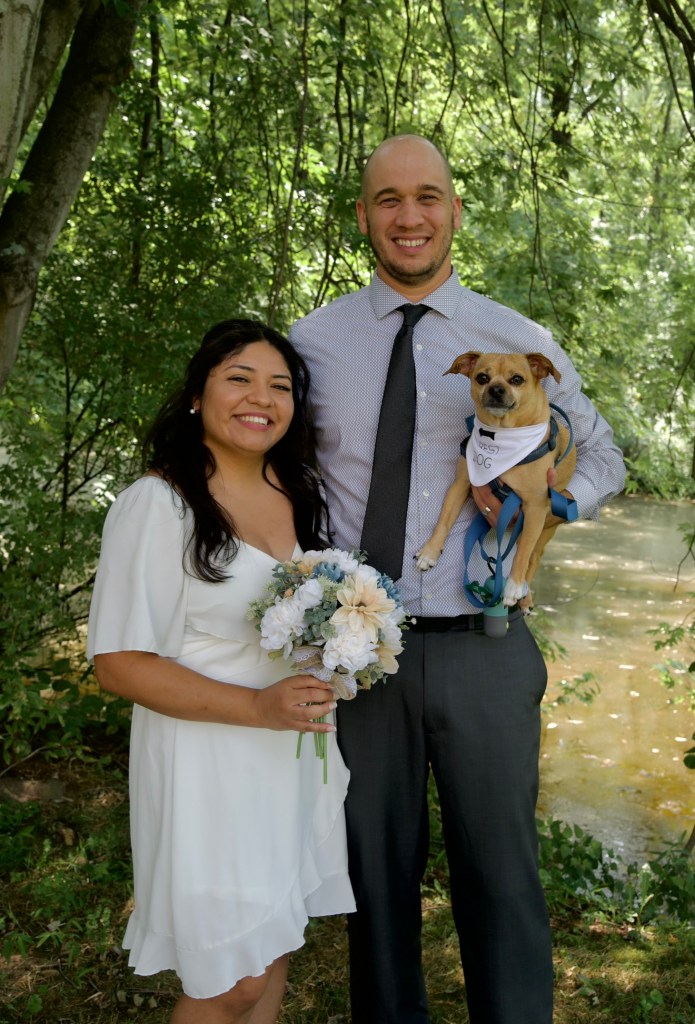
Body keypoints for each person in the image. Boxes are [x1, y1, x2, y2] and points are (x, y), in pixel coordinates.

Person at [290, 135, 626, 1024]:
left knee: (503, 878)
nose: (409, 217)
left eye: (427, 197)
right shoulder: (309, 343)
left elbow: (602, 453)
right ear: (363, 216)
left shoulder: (515, 341)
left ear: (454, 211)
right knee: (373, 881)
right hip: (359, 661)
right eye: (388, 200)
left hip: (484, 646)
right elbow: (273, 474)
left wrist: (553, 504)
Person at [87, 319, 355, 1024]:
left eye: (279, 385)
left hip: (288, 756)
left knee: (273, 945)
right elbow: (118, 664)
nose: (260, 398)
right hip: (205, 759)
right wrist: (258, 708)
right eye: (239, 379)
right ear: (196, 395)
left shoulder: (299, 490)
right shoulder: (158, 503)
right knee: (230, 981)